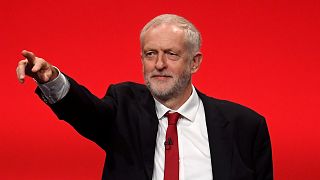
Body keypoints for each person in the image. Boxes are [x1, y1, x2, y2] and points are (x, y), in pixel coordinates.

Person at [16, 14, 273, 180]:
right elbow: (85, 111)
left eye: (171, 54)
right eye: (150, 54)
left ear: (194, 63)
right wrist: (50, 79)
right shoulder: (123, 106)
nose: (159, 64)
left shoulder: (246, 126)